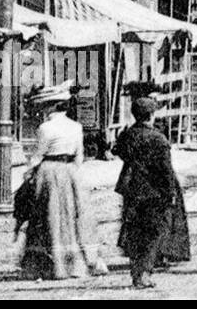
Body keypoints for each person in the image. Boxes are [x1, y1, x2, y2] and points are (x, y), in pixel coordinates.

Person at [18, 83, 108, 281]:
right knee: (74, 217)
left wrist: (28, 173)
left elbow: (38, 155)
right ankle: (77, 263)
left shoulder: (45, 128)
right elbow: (79, 157)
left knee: (49, 217)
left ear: (49, 107)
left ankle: (52, 265)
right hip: (70, 172)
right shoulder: (76, 127)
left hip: (49, 172)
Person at [114, 96, 183, 289]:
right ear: (151, 115)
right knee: (154, 232)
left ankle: (136, 273)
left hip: (132, 188)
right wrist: (171, 192)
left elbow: (117, 150)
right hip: (154, 190)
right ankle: (144, 273)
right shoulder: (158, 139)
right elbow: (166, 169)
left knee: (135, 231)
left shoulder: (128, 134)